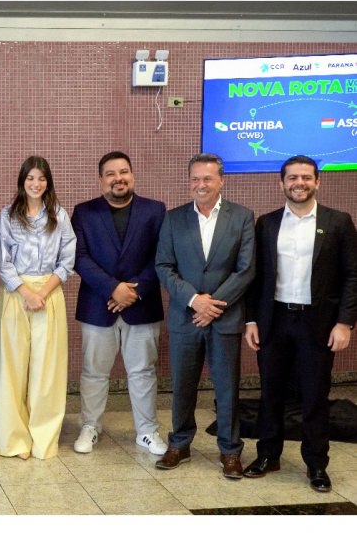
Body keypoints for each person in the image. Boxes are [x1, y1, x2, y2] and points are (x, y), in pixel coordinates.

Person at [243, 155, 357, 492]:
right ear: (282, 183)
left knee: (314, 396)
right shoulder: (266, 224)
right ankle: (267, 455)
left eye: (306, 177)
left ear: (317, 182)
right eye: (292, 177)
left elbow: (352, 276)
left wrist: (345, 323)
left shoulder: (338, 222)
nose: (299, 183)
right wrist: (251, 320)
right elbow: (255, 278)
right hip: (274, 320)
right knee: (270, 393)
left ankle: (317, 465)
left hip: (318, 324)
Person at [155, 153, 255, 479]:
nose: (201, 185)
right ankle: (179, 444)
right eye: (195, 179)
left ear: (221, 181)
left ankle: (229, 451)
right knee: (182, 385)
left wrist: (213, 306)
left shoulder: (242, 217)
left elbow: (246, 270)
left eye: (208, 179)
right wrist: (195, 300)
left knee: (227, 387)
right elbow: (164, 267)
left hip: (224, 318)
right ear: (189, 182)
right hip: (185, 318)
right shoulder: (173, 218)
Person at [71, 151, 167, 455]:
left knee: (142, 372)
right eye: (110, 174)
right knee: (94, 372)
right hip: (98, 305)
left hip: (143, 304)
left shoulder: (155, 210)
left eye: (123, 172)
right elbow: (79, 257)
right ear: (101, 180)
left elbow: (161, 257)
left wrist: (134, 291)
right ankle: (90, 426)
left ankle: (147, 431)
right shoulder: (84, 212)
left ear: (132, 175)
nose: (118, 178)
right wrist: (113, 289)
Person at [0, 155, 75, 460]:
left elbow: (68, 260)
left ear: (48, 182)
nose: (36, 184)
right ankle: (14, 440)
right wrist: (27, 293)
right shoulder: (7, 215)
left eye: (41, 179)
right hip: (16, 295)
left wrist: (43, 293)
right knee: (12, 369)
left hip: (50, 294)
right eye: (30, 178)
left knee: (48, 370)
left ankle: (43, 438)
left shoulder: (60, 216)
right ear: (22, 181)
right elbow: (3, 262)